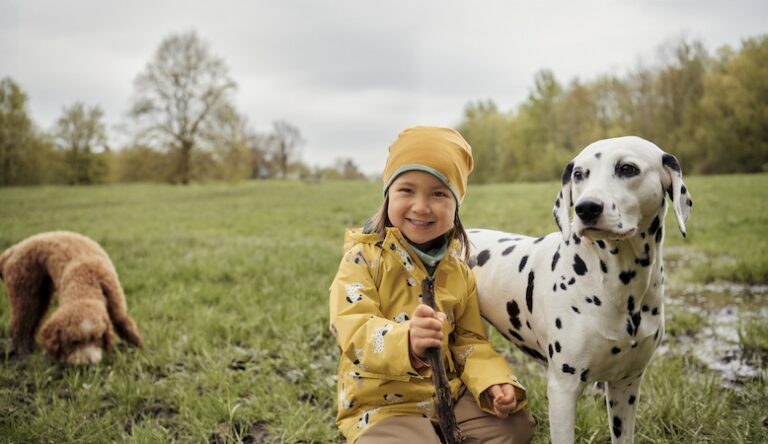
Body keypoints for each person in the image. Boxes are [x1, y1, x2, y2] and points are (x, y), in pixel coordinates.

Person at [329, 126, 535, 443]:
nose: (421, 206)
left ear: (456, 207)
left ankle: (442, 429)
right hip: (384, 403)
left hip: (448, 396)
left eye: (439, 193)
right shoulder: (363, 260)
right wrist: (406, 340)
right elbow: (353, 329)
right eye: (406, 190)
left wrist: (493, 382)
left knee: (515, 428)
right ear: (387, 196)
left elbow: (469, 342)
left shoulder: (458, 271)